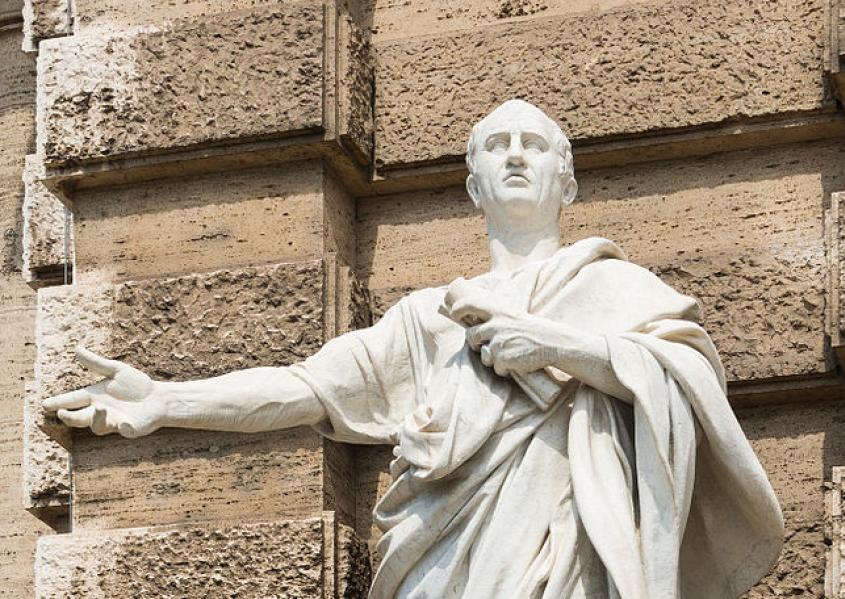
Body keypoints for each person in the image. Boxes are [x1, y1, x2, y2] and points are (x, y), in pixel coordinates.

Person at [44, 99, 783, 599]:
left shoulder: (622, 292)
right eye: (498, 145)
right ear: (473, 187)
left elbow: (691, 392)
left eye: (534, 145)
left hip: (566, 565)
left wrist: (558, 345)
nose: (516, 155)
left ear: (569, 181)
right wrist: (167, 399)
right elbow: (307, 388)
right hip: (440, 570)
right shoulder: (428, 321)